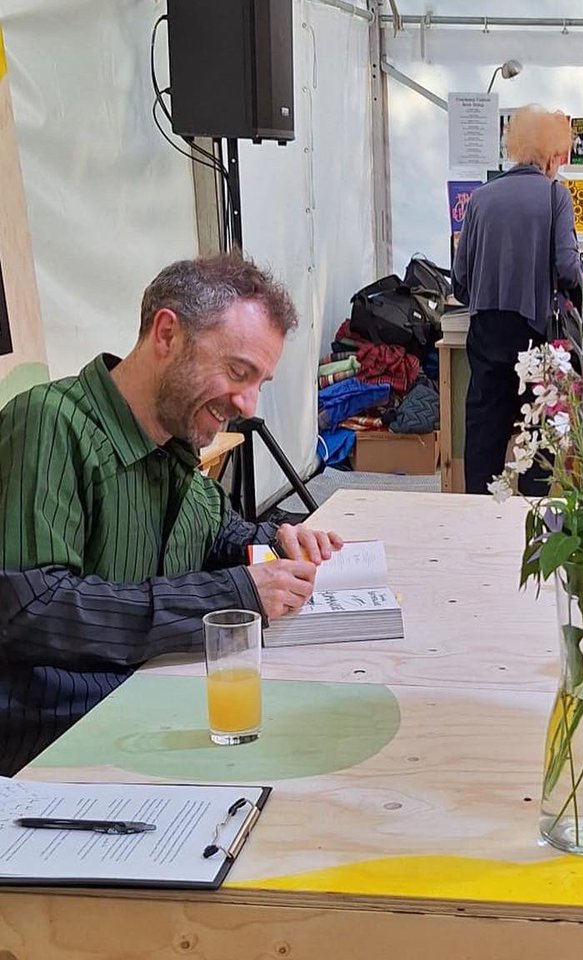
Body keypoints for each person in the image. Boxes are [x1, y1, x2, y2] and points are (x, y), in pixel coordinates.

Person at [0, 254, 342, 775]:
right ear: (167, 335)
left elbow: (224, 533)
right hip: (56, 751)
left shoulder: (174, 446)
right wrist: (236, 594)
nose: (249, 405)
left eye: (259, 383)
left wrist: (281, 540)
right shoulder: (50, 422)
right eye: (237, 372)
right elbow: (31, 607)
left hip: (153, 714)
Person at [452, 104, 583, 497]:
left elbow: (460, 281)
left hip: (487, 333)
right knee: (538, 445)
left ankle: (478, 527)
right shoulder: (554, 197)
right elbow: (568, 269)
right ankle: (531, 533)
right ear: (550, 155)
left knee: (483, 441)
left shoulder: (479, 199)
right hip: (537, 336)